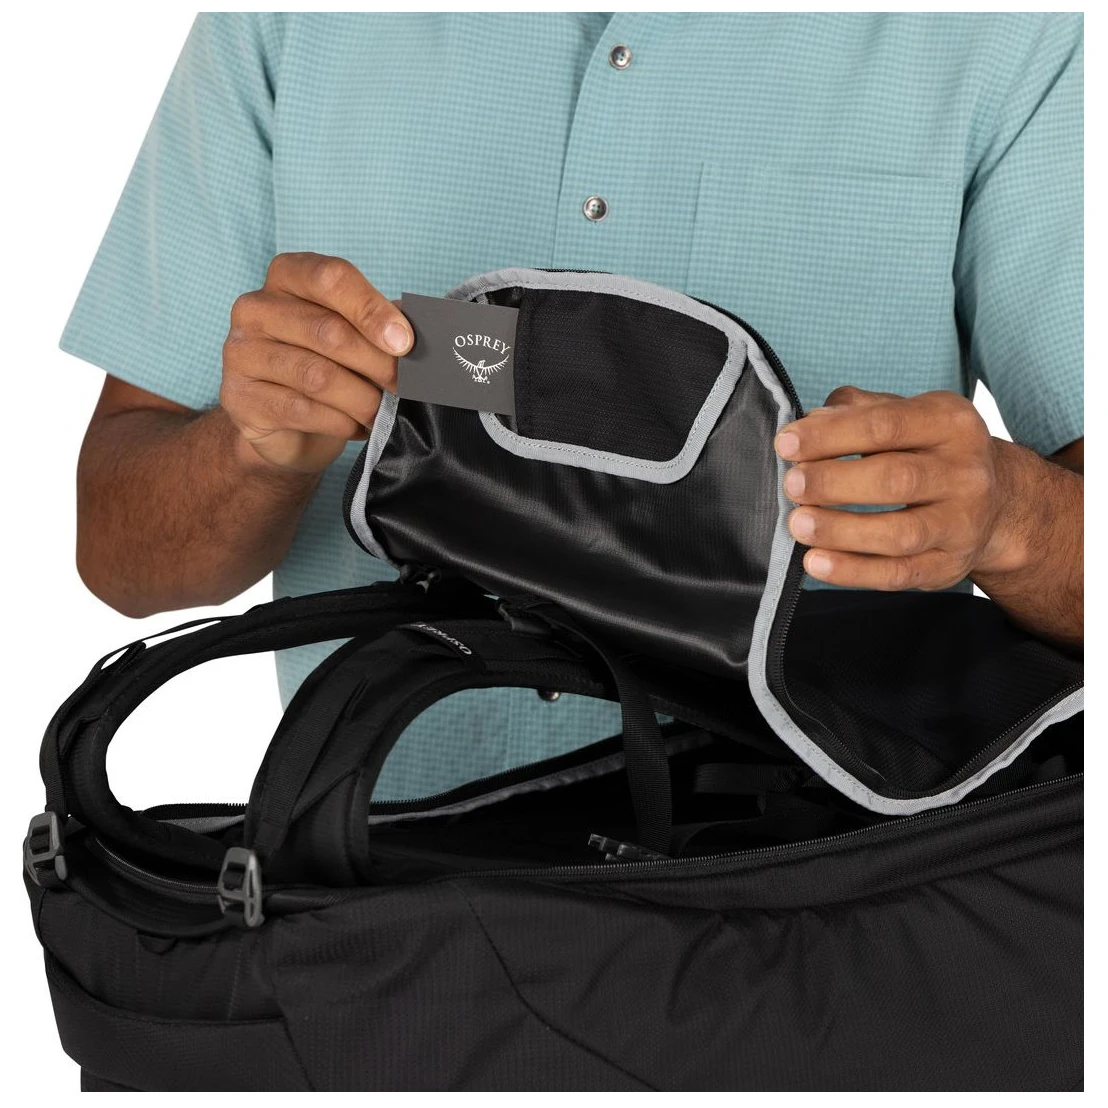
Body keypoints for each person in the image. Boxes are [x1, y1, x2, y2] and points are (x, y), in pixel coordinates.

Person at [63, 13, 1083, 801]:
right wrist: (249, 452)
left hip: (809, 918)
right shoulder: (286, 22)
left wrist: (1015, 519)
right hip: (383, 920)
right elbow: (118, 551)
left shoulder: (1003, 33)